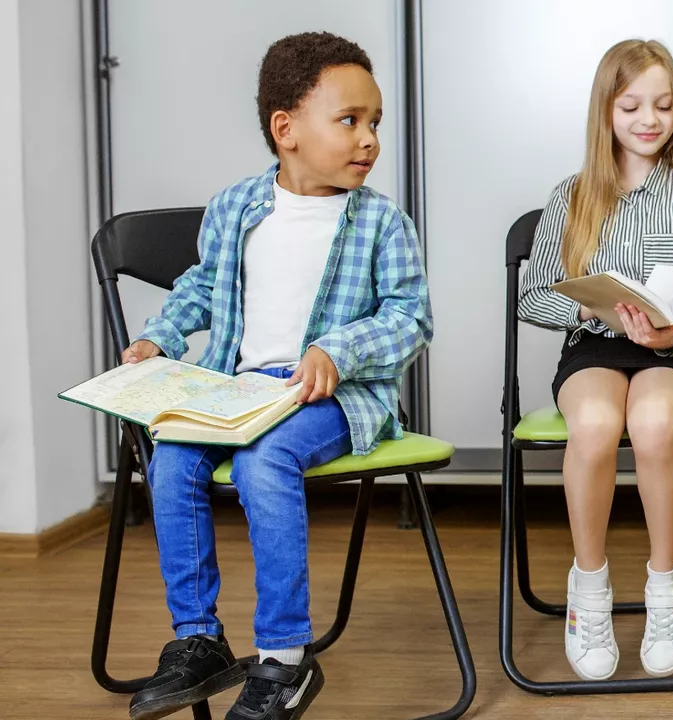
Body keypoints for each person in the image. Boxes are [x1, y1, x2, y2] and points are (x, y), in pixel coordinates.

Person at [122, 31, 431, 720]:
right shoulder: (235, 207)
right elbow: (202, 287)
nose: (369, 139)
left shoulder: (382, 222)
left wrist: (338, 351)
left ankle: (285, 659)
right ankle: (198, 638)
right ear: (286, 130)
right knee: (171, 460)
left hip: (331, 397)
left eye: (375, 122)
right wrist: (157, 338)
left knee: (265, 462)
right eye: (349, 120)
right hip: (237, 389)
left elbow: (411, 318)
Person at [515, 38, 673, 682]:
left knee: (653, 424)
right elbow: (534, 296)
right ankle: (589, 587)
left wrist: (672, 333)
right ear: (605, 111)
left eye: (663, 106)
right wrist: (596, 311)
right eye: (632, 105)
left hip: (672, 351)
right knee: (593, 426)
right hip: (593, 347)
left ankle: (667, 582)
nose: (649, 119)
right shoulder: (573, 195)